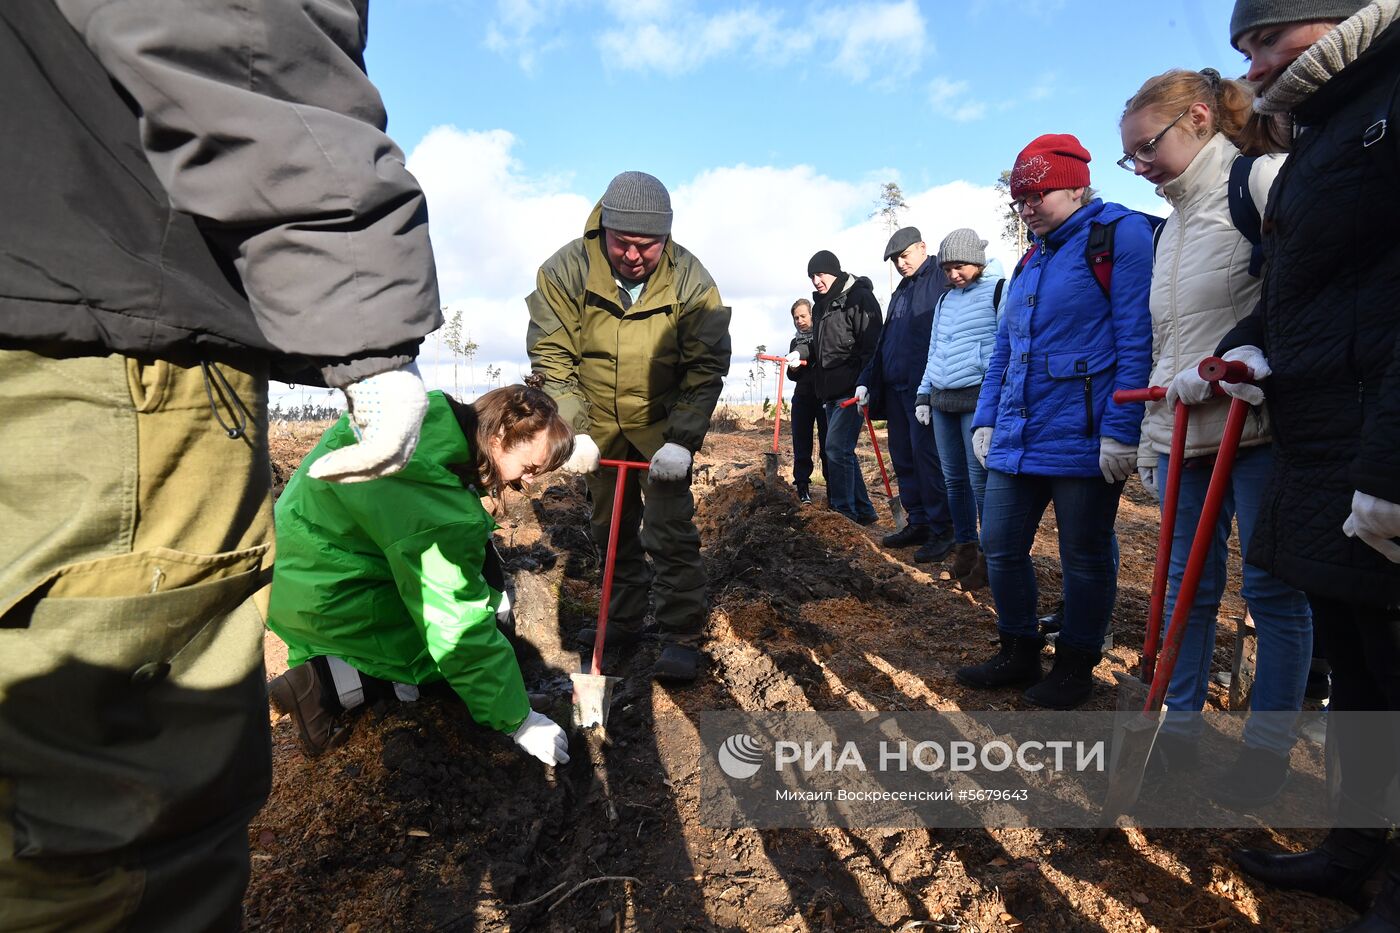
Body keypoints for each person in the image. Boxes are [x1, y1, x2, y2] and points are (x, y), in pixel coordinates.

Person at [0, 2, 439, 928]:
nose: (524, 496)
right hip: (101, 332)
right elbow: (233, 26)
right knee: (119, 846)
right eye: (526, 476)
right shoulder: (437, 488)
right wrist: (365, 323)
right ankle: (332, 686)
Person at [1205, 3, 1400, 927]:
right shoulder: (1326, 128)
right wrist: (1252, 345)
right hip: (1326, 443)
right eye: (1243, 48)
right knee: (1359, 672)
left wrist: (1394, 464)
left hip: (1379, 447)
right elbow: (1307, 287)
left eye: (1266, 39)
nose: (1250, 64)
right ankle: (1353, 850)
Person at [1119, 67, 1313, 807]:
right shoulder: (1168, 228)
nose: (1140, 166)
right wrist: (1151, 431)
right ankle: (1179, 727)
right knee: (1184, 589)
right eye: (1129, 157)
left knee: (1271, 586)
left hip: (1257, 423)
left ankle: (1266, 748)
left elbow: (1299, 289)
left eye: (1147, 147)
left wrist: (1251, 354)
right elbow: (1165, 340)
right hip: (1185, 426)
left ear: (1198, 119)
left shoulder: (1258, 183)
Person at [266, 384, 573, 766]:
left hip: (296, 569)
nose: (529, 484)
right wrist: (518, 718)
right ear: (498, 436)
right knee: (440, 645)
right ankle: (319, 688)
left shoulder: (426, 419)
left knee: (483, 575)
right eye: (529, 469)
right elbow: (454, 622)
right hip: (327, 594)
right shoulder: (429, 502)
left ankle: (467, 690)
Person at [956, 134, 1154, 710]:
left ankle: (1075, 663)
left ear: (1076, 185)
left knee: (1084, 552)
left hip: (1085, 434)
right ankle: (1018, 648)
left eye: (1038, 193)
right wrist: (986, 419)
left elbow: (1136, 336)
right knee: (999, 542)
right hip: (1019, 433)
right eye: (1020, 197)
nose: (1027, 205)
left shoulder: (1119, 236)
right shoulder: (1030, 258)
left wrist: (1124, 424)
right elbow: (1005, 351)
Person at [526, 171, 732, 683]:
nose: (635, 256)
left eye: (649, 245)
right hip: (597, 425)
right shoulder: (567, 269)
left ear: (666, 237)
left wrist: (682, 440)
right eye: (624, 244)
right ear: (606, 230)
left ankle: (681, 633)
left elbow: (704, 365)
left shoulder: (690, 278)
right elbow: (552, 353)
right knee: (609, 527)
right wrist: (574, 428)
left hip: (662, 426)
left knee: (668, 529)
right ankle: (620, 619)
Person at [855, 228, 956, 561]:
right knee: (905, 459)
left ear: (922, 248)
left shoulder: (941, 277)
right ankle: (919, 521)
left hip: (924, 389)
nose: (900, 263)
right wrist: (867, 380)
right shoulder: (901, 291)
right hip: (896, 390)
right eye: (895, 260)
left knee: (929, 460)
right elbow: (886, 341)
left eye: (905, 255)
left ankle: (944, 530)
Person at [915, 228, 1005, 589]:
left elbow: (1004, 347)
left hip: (976, 397)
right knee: (954, 480)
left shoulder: (999, 290)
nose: (953, 274)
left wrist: (996, 401)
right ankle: (964, 549)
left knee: (978, 479)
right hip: (941, 399)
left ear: (978, 261)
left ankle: (988, 557)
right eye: (947, 268)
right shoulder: (944, 301)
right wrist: (924, 395)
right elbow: (935, 349)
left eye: (960, 266)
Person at [807, 250, 884, 525]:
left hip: (852, 391)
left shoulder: (858, 297)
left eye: (820, 274)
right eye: (812, 276)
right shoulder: (820, 306)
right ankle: (864, 510)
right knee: (843, 452)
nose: (816, 281)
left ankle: (844, 515)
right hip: (829, 391)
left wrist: (865, 382)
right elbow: (819, 348)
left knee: (836, 449)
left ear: (835, 272)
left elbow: (873, 344)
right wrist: (802, 356)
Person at [785, 298, 828, 503]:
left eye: (803, 316)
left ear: (812, 315)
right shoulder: (795, 341)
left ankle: (833, 488)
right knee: (801, 443)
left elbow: (811, 352)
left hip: (823, 396)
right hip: (802, 397)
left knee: (828, 444)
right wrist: (793, 368)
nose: (800, 321)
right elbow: (792, 376)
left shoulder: (823, 336)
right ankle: (802, 486)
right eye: (796, 317)